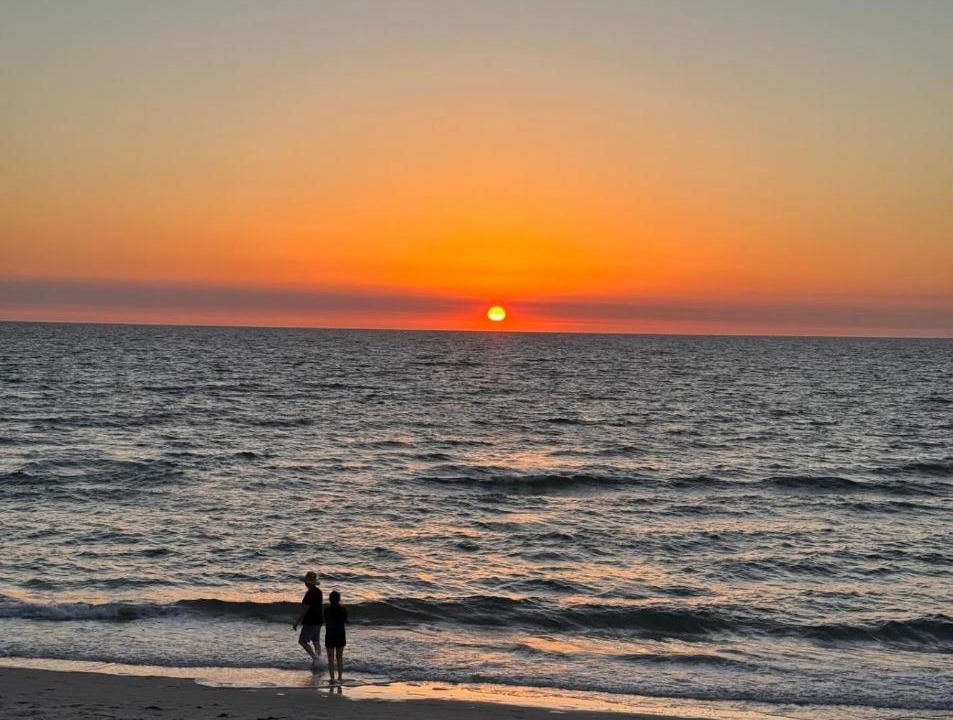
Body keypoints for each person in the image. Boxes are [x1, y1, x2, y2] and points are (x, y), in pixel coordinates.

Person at [292, 570, 323, 670]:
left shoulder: (309, 594)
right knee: (316, 641)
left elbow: (305, 610)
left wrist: (297, 622)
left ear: (307, 582)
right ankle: (320, 660)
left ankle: (315, 659)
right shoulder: (319, 592)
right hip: (318, 620)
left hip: (310, 621)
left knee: (302, 641)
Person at [324, 590, 348, 684]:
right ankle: (340, 677)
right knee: (339, 657)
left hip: (330, 634)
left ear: (330, 599)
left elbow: (325, 620)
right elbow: (345, 620)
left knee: (330, 658)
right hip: (340, 634)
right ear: (339, 599)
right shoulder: (343, 609)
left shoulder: (326, 610)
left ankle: (332, 678)